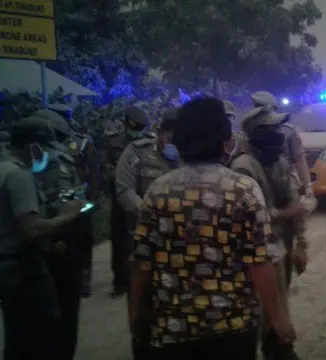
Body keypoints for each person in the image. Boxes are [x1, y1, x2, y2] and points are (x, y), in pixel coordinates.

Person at [129, 96, 296, 359]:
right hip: (233, 327)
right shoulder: (243, 190)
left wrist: (135, 312)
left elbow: (142, 261)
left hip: (174, 327)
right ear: (226, 142)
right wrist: (278, 319)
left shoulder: (157, 191)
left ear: (179, 142)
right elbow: (260, 262)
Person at [0, 116, 84, 360]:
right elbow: (31, 229)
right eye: (45, 148)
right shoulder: (19, 176)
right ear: (33, 146)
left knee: (18, 338)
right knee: (40, 338)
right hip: (22, 269)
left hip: (3, 263)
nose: (47, 155)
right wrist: (68, 216)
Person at [231, 106, 307, 360]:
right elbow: (255, 218)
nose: (279, 134)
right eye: (272, 129)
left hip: (280, 249)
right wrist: (286, 213)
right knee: (258, 309)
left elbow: (293, 199)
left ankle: (276, 345)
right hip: (255, 254)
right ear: (257, 133)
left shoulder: (279, 160)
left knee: (278, 303)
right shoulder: (243, 166)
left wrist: (301, 242)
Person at [115, 107, 181, 360]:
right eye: (170, 137)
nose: (173, 143)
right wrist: (150, 212)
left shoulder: (189, 155)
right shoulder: (137, 152)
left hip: (179, 245)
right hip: (143, 242)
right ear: (160, 133)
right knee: (142, 303)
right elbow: (124, 190)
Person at [31, 109, 94, 360]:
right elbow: (72, 203)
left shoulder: (13, 163)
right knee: (65, 315)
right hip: (61, 244)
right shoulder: (60, 160)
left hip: (33, 246)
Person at [35, 107, 100, 298]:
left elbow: (93, 170)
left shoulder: (81, 141)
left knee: (83, 237)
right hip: (52, 201)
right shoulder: (40, 147)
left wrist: (94, 199)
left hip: (80, 197)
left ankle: (84, 279)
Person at [251, 91, 313, 287]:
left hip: (282, 189)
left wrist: (307, 185)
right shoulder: (249, 139)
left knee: (283, 254)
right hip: (260, 195)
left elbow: (299, 159)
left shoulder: (288, 132)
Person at [105, 106, 150, 298]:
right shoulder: (113, 141)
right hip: (119, 197)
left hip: (141, 197)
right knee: (119, 240)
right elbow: (104, 167)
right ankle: (120, 283)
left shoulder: (149, 143)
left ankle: (139, 279)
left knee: (139, 239)